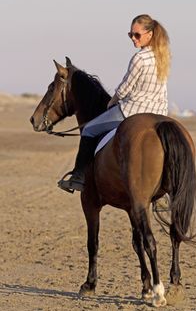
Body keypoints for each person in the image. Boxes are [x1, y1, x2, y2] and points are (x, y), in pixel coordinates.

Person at [58, 14, 171, 193]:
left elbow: (126, 87)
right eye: (130, 35)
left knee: (89, 129)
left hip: (134, 110)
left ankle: (78, 177)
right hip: (160, 113)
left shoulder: (140, 58)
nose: (133, 39)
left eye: (137, 35)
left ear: (149, 34)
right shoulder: (163, 57)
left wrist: (112, 101)